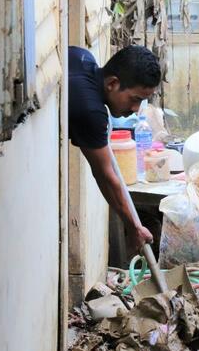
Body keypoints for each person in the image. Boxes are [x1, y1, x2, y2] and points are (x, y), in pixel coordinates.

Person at [68, 44, 160, 253]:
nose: (136, 109)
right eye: (135, 99)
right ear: (112, 83)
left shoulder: (81, 56)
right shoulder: (91, 111)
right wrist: (134, 226)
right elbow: (106, 177)